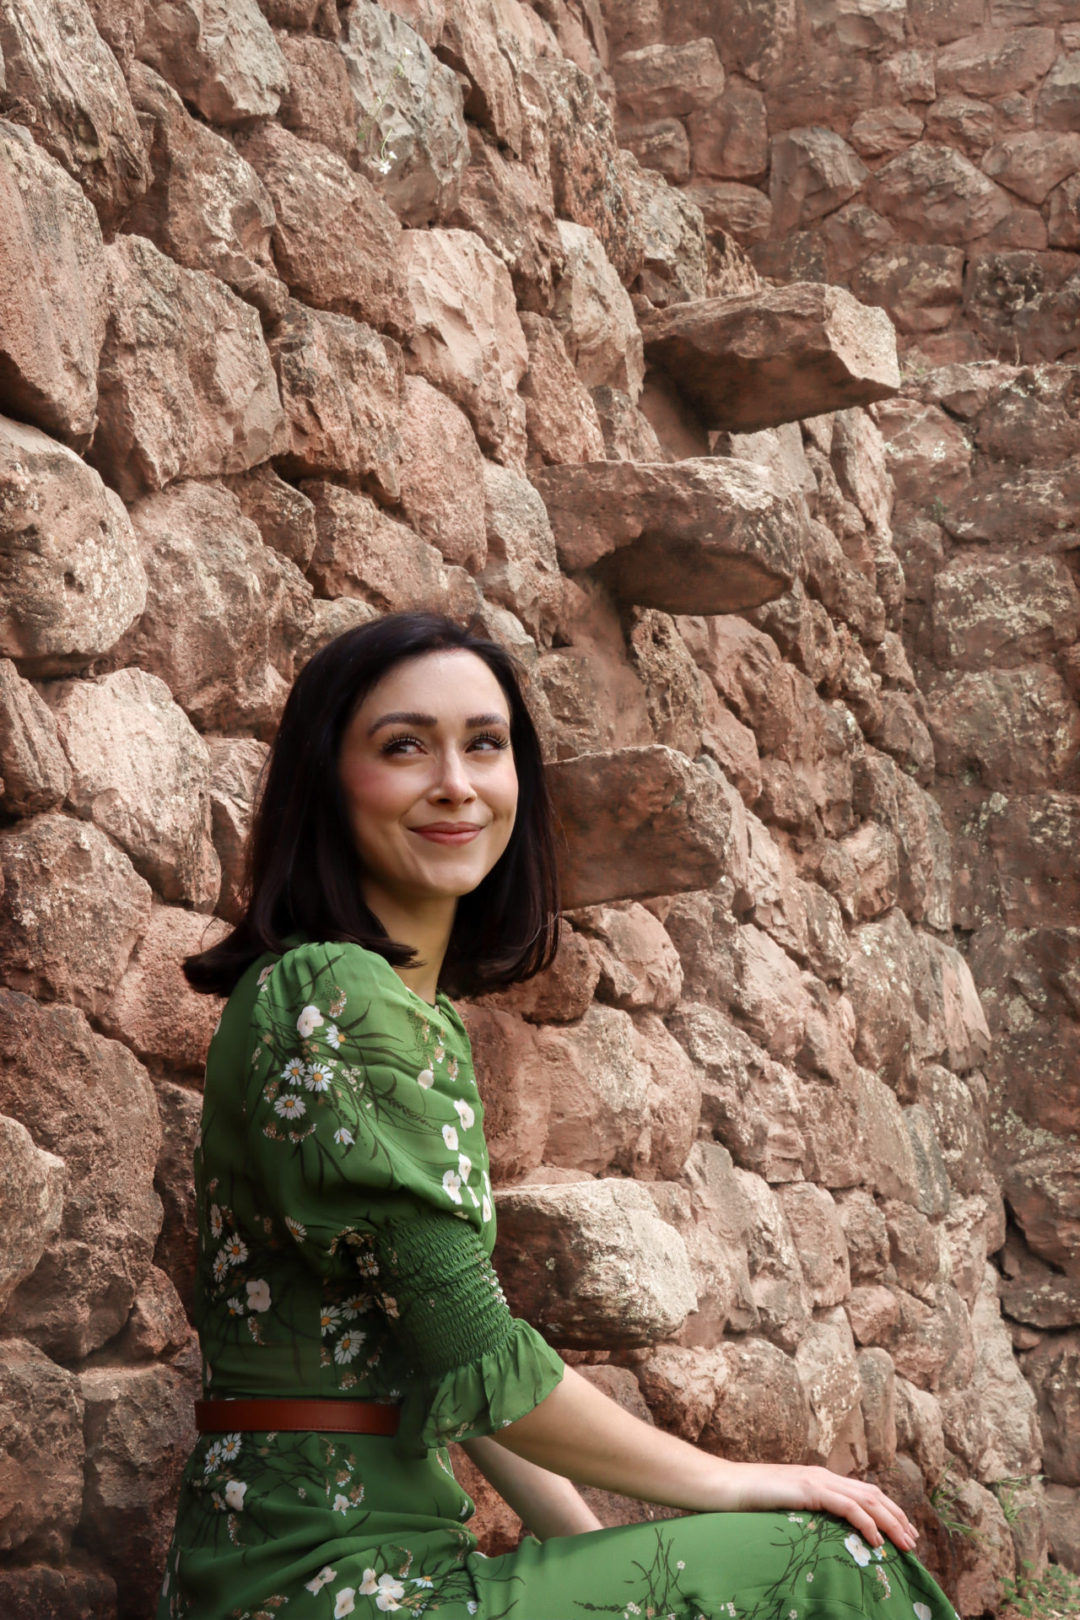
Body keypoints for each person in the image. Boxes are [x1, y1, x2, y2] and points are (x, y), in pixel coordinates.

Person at [159, 609, 959, 1620]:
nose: (455, 780)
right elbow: (474, 1347)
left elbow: (434, 1361)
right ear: (328, 781)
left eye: (484, 746)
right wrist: (727, 1482)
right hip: (328, 1579)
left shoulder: (403, 1012)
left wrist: (609, 1562)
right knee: (835, 1563)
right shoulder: (336, 993)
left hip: (346, 1562)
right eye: (404, 746)